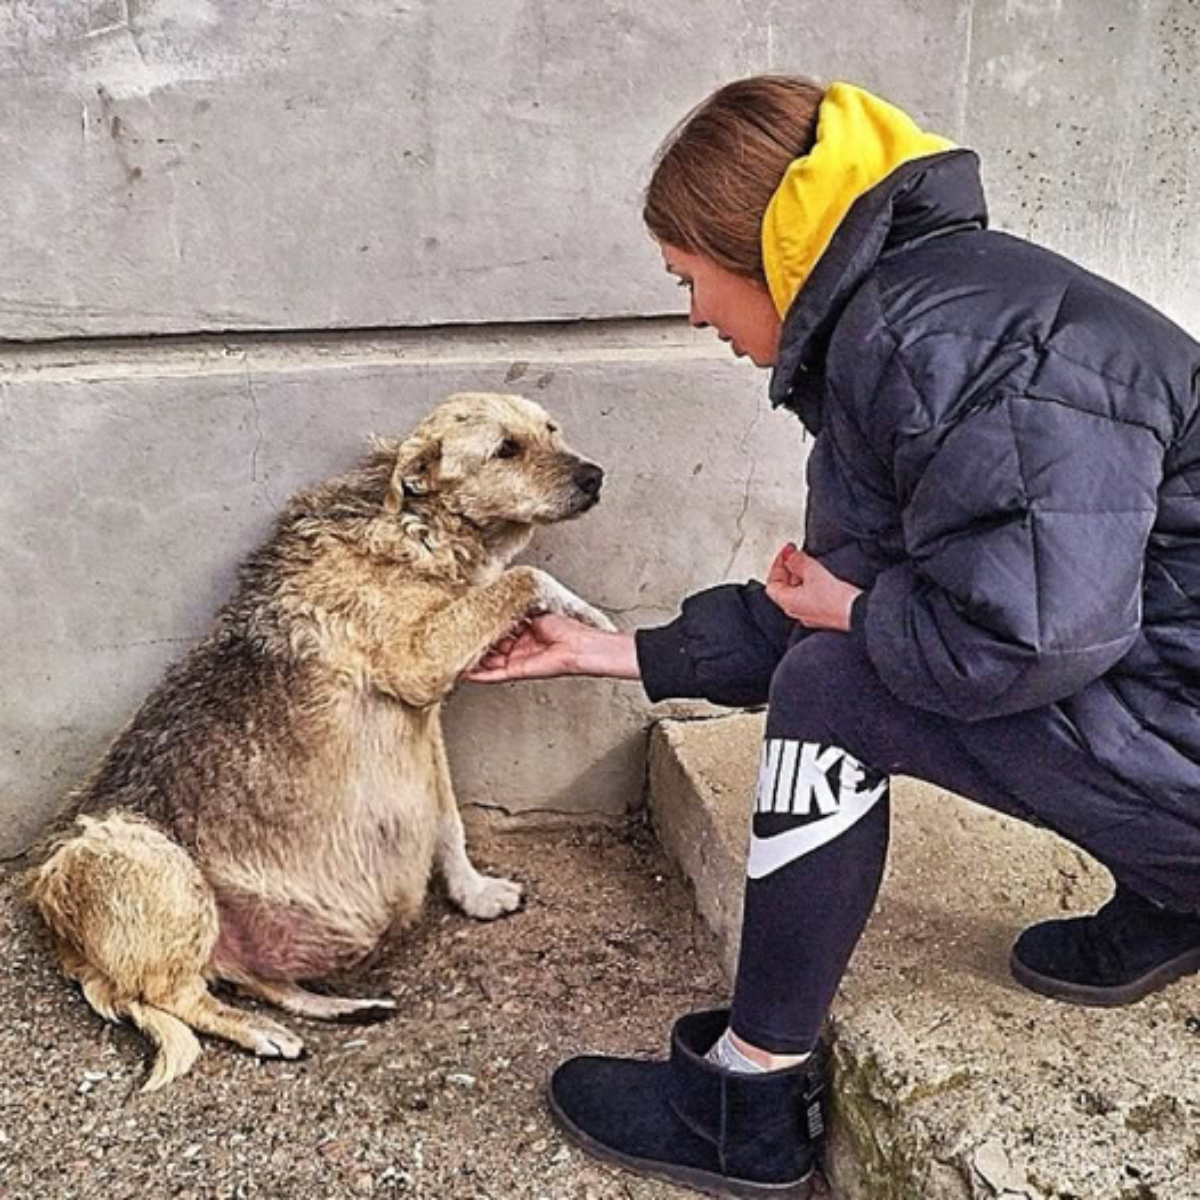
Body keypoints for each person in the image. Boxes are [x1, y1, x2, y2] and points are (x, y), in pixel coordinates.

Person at [467, 74, 1200, 1198]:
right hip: (1173, 702)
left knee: (831, 687)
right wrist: (611, 652)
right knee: (835, 656)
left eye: (690, 279)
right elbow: (838, 584)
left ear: (758, 248)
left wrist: (853, 617)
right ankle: (1176, 889)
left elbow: (1031, 641)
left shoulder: (944, 345)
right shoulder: (904, 326)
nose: (696, 315)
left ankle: (747, 1098)